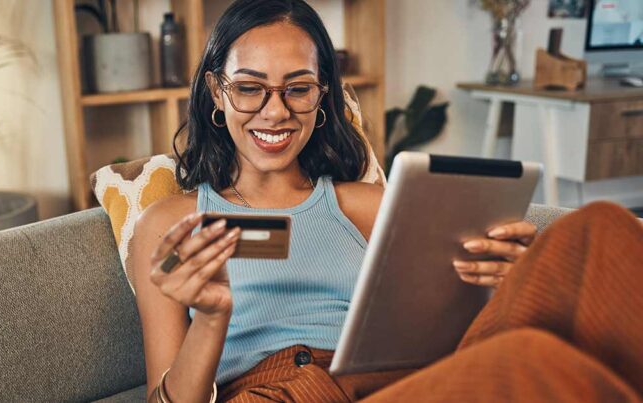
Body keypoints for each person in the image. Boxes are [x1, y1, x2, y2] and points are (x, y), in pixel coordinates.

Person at [132, 1, 643, 402]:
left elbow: (441, 323)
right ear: (217, 93)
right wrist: (215, 318)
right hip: (272, 391)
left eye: (298, 88)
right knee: (529, 361)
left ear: (322, 96)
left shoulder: (370, 205)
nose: (275, 112)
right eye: (249, 88)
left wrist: (515, 280)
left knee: (603, 227)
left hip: (389, 383)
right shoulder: (172, 223)